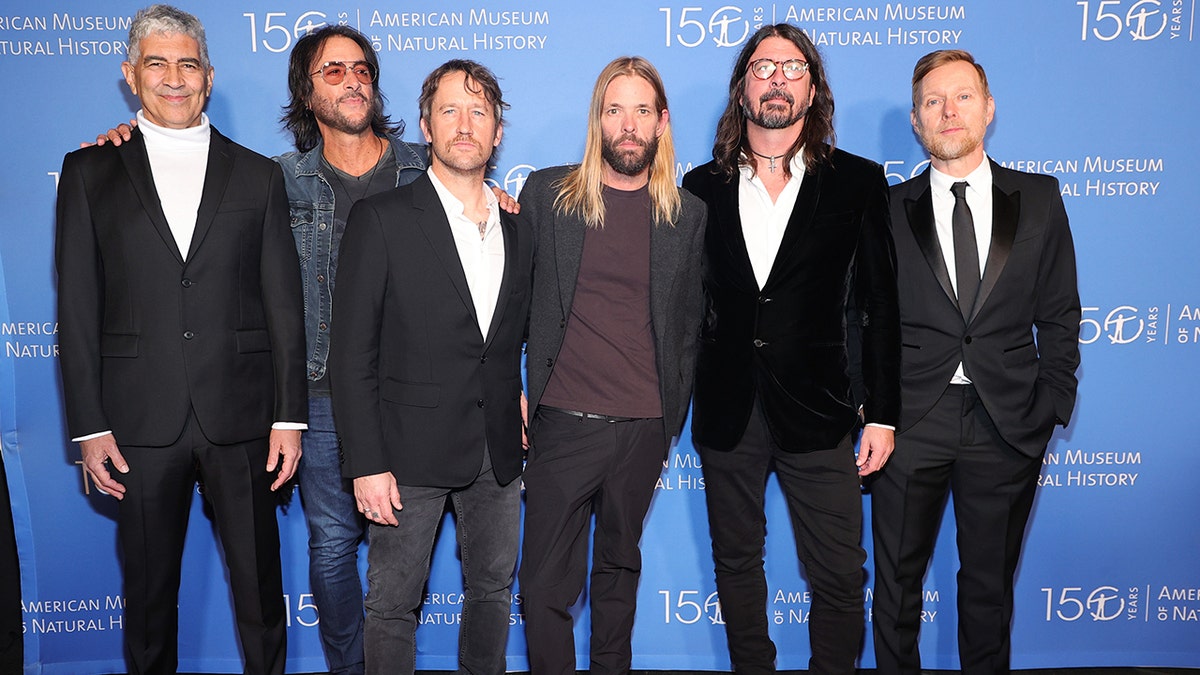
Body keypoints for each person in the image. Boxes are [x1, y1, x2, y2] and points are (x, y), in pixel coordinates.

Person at [55, 5, 306, 675]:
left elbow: (285, 306)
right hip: (137, 422)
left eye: (187, 63)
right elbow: (76, 310)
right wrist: (88, 427)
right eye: (157, 64)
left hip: (245, 417)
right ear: (131, 75)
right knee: (147, 602)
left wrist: (288, 416)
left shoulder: (259, 175)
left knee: (261, 598)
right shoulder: (87, 173)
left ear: (209, 75)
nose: (174, 78)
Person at [681, 24, 900, 674]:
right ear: (742, 84)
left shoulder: (858, 182)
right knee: (737, 563)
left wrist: (882, 412)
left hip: (823, 408)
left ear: (813, 88)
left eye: (793, 67)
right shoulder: (700, 186)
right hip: (727, 408)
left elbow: (880, 306)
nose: (777, 78)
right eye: (763, 65)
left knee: (839, 571)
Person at [870, 49, 1080, 675]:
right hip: (910, 422)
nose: (948, 111)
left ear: (988, 108)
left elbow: (1061, 312)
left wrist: (1050, 404)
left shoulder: (1039, 198)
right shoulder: (885, 209)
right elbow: (863, 319)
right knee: (896, 591)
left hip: (1008, 422)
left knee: (989, 592)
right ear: (915, 121)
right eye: (933, 101)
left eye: (962, 96)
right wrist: (872, 407)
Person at [328, 59, 530, 675]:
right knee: (392, 606)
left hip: (497, 449)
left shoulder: (520, 228)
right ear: (425, 125)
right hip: (405, 455)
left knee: (493, 594)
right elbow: (350, 354)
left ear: (498, 132)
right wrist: (366, 464)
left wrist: (519, 395)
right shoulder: (382, 219)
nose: (464, 125)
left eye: (479, 112)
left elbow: (507, 340)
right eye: (449, 111)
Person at [518, 56, 706, 674]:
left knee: (618, 575)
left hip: (643, 428)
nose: (629, 125)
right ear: (598, 118)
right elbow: (511, 297)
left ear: (662, 123)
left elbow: (691, 322)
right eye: (615, 109)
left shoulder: (687, 215)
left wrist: (668, 417)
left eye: (642, 111)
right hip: (561, 421)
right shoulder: (547, 195)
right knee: (544, 588)